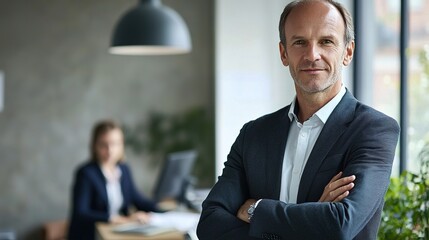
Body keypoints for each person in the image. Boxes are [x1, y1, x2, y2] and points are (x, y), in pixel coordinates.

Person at [197, 0, 400, 239]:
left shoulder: (374, 129)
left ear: (348, 52)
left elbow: (340, 224)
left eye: (326, 41)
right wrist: (313, 217)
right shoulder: (253, 134)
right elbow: (209, 223)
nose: (312, 55)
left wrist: (256, 209)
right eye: (300, 42)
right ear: (284, 53)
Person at [68, 120, 160, 240]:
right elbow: (81, 212)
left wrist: (163, 210)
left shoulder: (123, 169)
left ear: (121, 145)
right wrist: (116, 219)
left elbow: (138, 199)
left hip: (117, 232)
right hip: (92, 235)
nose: (110, 150)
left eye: (115, 143)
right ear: (95, 146)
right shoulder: (85, 173)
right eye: (103, 145)